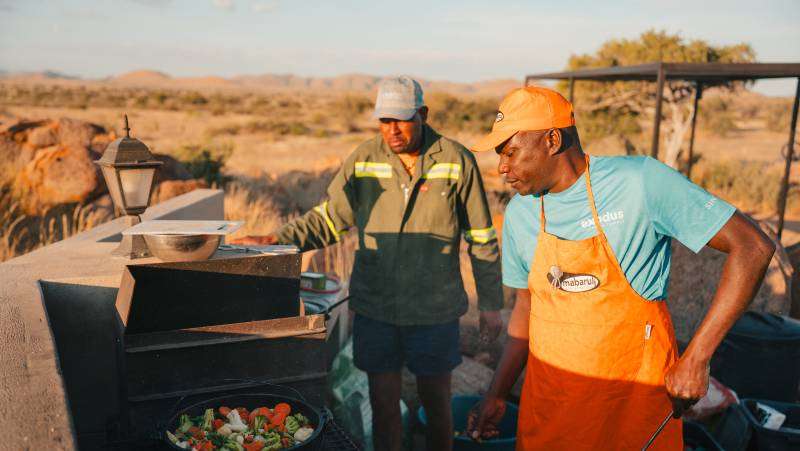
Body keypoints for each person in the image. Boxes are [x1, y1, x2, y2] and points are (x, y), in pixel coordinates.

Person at [465, 86, 776, 450]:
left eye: (510, 152)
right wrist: (497, 394)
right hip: (551, 410)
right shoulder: (521, 212)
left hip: (629, 408)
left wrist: (696, 358)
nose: (502, 167)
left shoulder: (640, 182)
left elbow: (752, 246)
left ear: (552, 140)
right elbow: (526, 307)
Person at [231, 75, 504, 451]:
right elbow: (329, 219)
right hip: (377, 306)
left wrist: (491, 304)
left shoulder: (457, 160)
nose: (392, 130)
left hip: (434, 308)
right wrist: (277, 240)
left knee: (436, 402)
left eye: (401, 119)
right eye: (384, 120)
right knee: (383, 404)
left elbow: (481, 237)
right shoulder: (364, 160)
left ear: (423, 114)